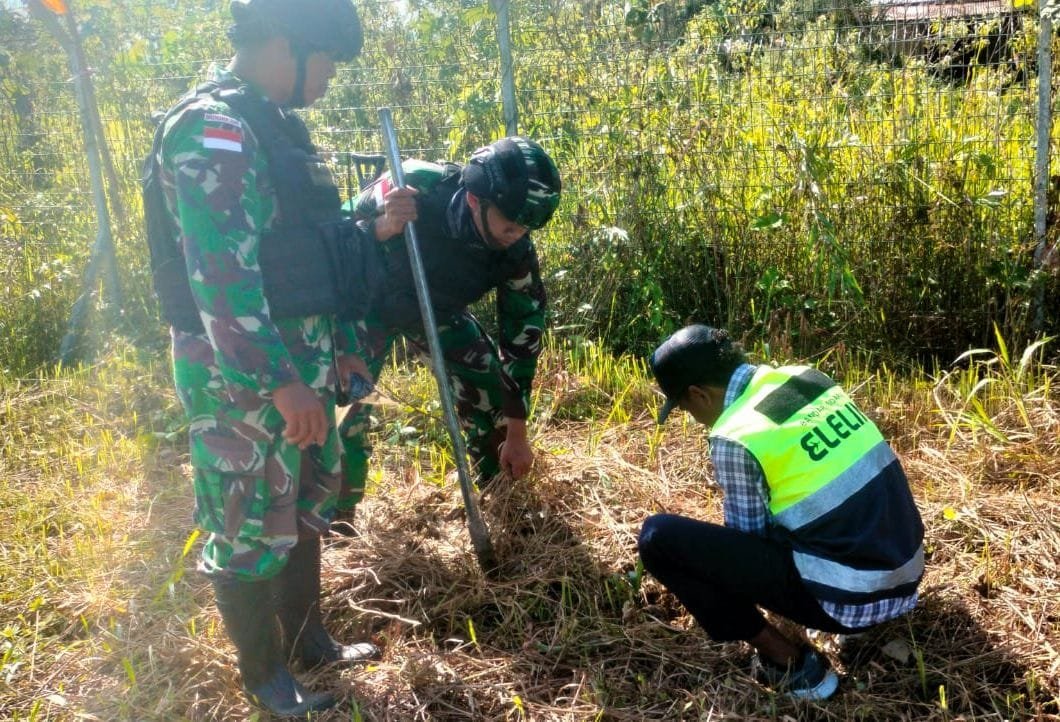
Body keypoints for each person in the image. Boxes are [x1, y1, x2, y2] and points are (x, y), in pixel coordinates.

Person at [141, 0, 411, 714]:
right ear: (284, 45)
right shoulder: (212, 132)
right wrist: (280, 379)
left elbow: (311, 253)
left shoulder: (274, 126)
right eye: (324, 60)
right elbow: (220, 281)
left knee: (303, 505)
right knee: (246, 519)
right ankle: (265, 677)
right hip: (243, 374)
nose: (328, 76)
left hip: (304, 363)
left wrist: (342, 351)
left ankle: (307, 639)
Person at [638, 324, 925, 701]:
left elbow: (747, 542)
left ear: (697, 394)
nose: (693, 418)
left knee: (658, 538)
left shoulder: (734, 433)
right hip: (906, 570)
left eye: (687, 409)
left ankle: (792, 664)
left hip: (853, 598)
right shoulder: (805, 377)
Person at [330, 139, 562, 532]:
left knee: (488, 385)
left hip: (434, 310)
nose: (517, 234)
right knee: (347, 405)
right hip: (364, 307)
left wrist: (518, 430)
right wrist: (383, 227)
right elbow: (333, 243)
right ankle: (336, 521)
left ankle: (501, 495)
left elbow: (522, 334)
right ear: (475, 200)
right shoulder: (415, 185)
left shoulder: (516, 248)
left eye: (526, 227)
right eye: (510, 223)